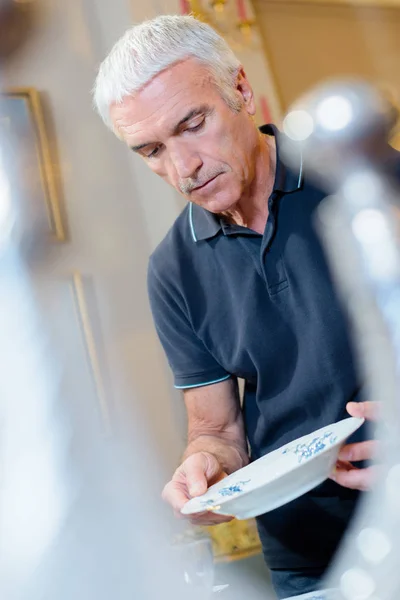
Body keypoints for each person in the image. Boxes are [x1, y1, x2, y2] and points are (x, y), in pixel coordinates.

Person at [93, 15, 394, 598]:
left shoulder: (373, 184)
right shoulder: (172, 270)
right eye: (151, 150)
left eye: (192, 124)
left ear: (241, 90)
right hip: (308, 560)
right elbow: (216, 426)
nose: (183, 168)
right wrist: (202, 467)